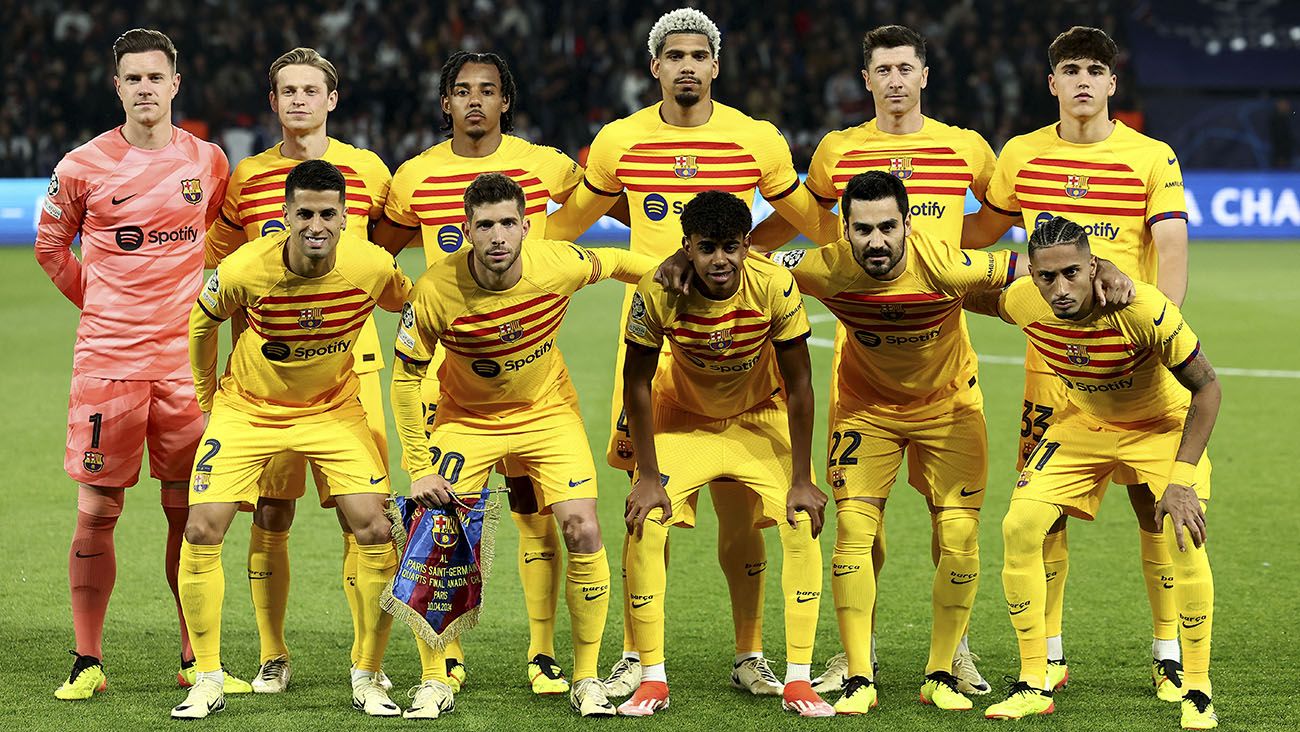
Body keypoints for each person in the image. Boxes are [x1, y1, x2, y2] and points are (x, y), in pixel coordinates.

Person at [547, 7, 839, 697]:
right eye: (671, 55)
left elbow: (819, 228)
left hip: (737, 343)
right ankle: (635, 654)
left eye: (696, 55)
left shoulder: (756, 139)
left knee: (743, 513)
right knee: (648, 506)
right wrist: (640, 267)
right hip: (655, 343)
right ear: (654, 67)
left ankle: (749, 654)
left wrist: (756, 259)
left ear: (715, 65)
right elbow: (565, 228)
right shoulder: (619, 141)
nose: (685, 65)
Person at [748, 23, 999, 697]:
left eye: (904, 68)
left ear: (924, 75)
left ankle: (957, 648)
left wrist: (955, 265)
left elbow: (1000, 218)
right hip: (864, 361)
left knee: (954, 523)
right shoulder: (839, 149)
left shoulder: (965, 147)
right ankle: (858, 653)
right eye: (881, 69)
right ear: (866, 80)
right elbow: (809, 219)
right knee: (863, 520)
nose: (893, 80)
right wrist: (742, 245)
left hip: (943, 343)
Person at [963, 26, 1191, 699]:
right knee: (1046, 512)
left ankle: (1169, 653)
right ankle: (1051, 655)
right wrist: (918, 226)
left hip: (1135, 363)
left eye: (1096, 68)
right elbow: (980, 231)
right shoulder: (1021, 154)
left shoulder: (1151, 157)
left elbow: (1171, 246)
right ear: (1052, 83)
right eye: (1071, 69)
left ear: (1113, 83)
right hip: (1052, 368)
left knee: (1155, 508)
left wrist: (1164, 328)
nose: (1084, 79)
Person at [390, 172, 657, 719]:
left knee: (582, 526)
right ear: (466, 230)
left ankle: (586, 677)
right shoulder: (435, 291)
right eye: (484, 225)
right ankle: (433, 677)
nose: (497, 236)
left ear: (525, 227)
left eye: (508, 223)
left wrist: (671, 272)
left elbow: (617, 263)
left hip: (547, 412)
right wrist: (419, 469)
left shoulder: (556, 263)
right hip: (468, 418)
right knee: (433, 533)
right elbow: (403, 379)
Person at [372, 51, 587, 693]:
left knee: (532, 505)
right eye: (461, 91)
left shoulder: (548, 166)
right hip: (446, 370)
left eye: (487, 91)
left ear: (505, 102)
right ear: (445, 103)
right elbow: (378, 248)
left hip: (526, 362)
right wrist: (414, 301)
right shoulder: (413, 176)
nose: (474, 101)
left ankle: (543, 651)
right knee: (445, 519)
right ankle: (448, 652)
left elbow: (590, 216)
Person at [171, 160, 411, 719]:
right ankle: (206, 677)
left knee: (375, 526)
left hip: (332, 409)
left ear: (346, 217)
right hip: (249, 409)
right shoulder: (244, 268)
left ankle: (368, 673)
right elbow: (201, 323)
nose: (316, 225)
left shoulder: (371, 266)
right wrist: (209, 401)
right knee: (203, 525)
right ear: (285, 215)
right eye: (304, 213)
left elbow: (420, 305)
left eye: (328, 213)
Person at [35, 28, 231, 700]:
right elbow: (51, 249)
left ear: (176, 84)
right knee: (97, 511)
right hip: (109, 365)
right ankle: (87, 661)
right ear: (116, 87)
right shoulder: (82, 165)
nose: (146, 88)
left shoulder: (208, 160)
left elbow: (219, 246)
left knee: (190, 515)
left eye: (156, 77)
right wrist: (109, 308)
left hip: (185, 368)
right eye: (133, 78)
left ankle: (195, 658)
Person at [974, 216, 1217, 731]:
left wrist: (1180, 479)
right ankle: (1033, 681)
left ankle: (1196, 688)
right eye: (1047, 278)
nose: (1059, 289)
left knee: (1183, 533)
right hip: (1083, 424)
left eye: (1072, 274)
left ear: (1093, 268)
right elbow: (977, 295)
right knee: (1018, 526)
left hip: (1161, 425)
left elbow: (1208, 388)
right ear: (1033, 276)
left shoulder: (1142, 309)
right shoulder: (1025, 301)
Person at [203, 46, 393, 694]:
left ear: (331, 99)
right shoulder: (248, 177)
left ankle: (366, 662)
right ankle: (272, 654)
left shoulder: (368, 171)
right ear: (274, 101)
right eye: (288, 91)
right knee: (272, 513)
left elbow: (382, 257)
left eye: (312, 90)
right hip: (270, 379)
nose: (300, 101)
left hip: (353, 365)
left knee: (362, 515)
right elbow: (223, 268)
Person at [618, 190, 832, 718]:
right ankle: (650, 677)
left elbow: (801, 386)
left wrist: (802, 477)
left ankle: (796, 678)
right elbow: (638, 383)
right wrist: (647, 475)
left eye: (731, 247)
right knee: (645, 520)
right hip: (681, 417)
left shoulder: (774, 286)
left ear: (747, 245)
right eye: (707, 247)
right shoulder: (658, 290)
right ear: (686, 246)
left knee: (799, 518)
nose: (720, 260)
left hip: (757, 414)